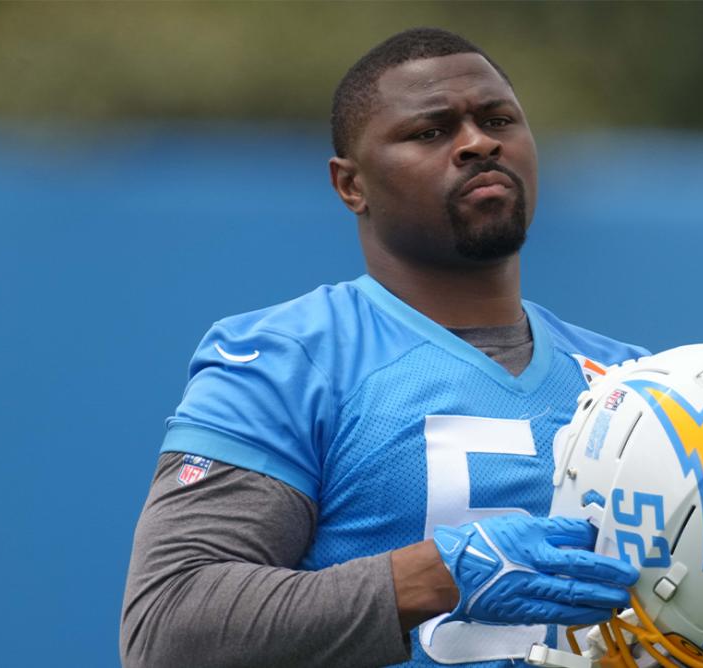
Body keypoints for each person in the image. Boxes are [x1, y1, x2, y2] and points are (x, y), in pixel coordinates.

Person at [120, 27, 650, 667]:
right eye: (430, 131)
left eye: (498, 118)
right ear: (351, 185)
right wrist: (436, 577)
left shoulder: (635, 384)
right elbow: (169, 626)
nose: (479, 143)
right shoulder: (293, 359)